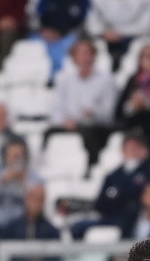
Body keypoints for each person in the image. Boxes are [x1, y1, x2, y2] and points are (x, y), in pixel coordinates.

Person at [47, 36, 118, 165]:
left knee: (89, 134)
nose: (84, 58)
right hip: (70, 124)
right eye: (80, 54)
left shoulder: (107, 80)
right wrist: (64, 121)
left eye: (87, 53)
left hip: (95, 125)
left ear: (94, 56)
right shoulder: (64, 80)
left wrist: (93, 113)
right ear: (74, 58)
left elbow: (109, 113)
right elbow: (56, 109)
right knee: (49, 133)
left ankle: (92, 167)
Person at [0, 139, 43, 229]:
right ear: (6, 157)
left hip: (22, 222)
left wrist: (24, 181)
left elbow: (38, 199)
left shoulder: (33, 175)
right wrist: (3, 181)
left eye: (20, 156)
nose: (17, 159)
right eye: (14, 156)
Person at [86, 0, 150, 68]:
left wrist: (120, 33)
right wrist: (103, 32)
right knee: (98, 55)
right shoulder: (97, 1)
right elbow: (92, 23)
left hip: (133, 38)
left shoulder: (144, 1)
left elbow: (146, 25)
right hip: (105, 38)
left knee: (138, 54)